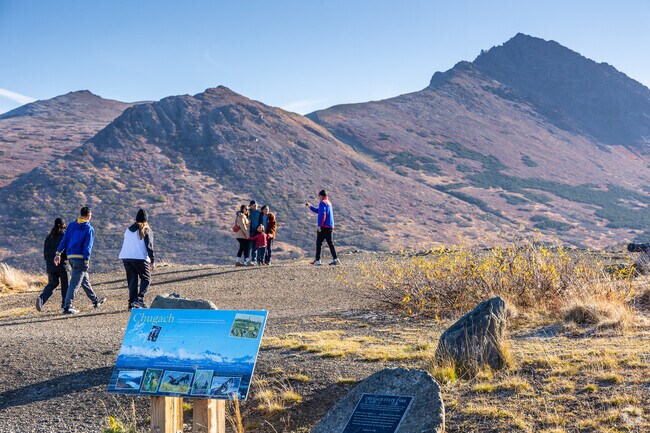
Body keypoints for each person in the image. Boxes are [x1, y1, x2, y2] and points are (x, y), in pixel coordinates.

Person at [54, 206, 106, 314]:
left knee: (84, 279)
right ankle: (67, 306)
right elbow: (88, 247)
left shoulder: (72, 225)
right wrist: (87, 260)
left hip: (71, 257)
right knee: (75, 283)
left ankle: (95, 301)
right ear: (88, 215)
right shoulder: (89, 229)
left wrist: (58, 253)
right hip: (81, 258)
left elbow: (64, 240)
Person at [118, 209, 155, 309]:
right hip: (139, 258)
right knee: (146, 279)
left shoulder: (128, 230)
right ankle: (139, 299)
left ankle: (131, 304)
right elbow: (149, 246)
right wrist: (152, 260)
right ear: (146, 220)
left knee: (132, 281)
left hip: (126, 257)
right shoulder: (146, 230)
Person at [36, 218, 69, 312]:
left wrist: (49, 262)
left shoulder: (49, 236)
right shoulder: (64, 235)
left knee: (52, 284)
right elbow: (66, 249)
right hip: (62, 264)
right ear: (64, 225)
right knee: (65, 285)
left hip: (50, 265)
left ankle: (41, 299)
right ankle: (65, 305)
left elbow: (45, 252)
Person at [305, 189, 340, 266]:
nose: (318, 197)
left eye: (319, 196)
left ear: (321, 196)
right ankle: (335, 259)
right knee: (330, 243)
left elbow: (323, 214)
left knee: (319, 243)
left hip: (324, 226)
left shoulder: (322, 203)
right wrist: (310, 206)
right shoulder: (329, 203)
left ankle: (317, 260)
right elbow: (319, 211)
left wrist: (320, 225)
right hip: (330, 226)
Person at [248, 200, 262, 264]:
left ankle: (254, 260)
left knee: (255, 246)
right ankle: (247, 260)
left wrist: (260, 227)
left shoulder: (259, 212)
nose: (255, 206)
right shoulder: (248, 212)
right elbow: (239, 212)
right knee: (249, 246)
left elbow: (261, 221)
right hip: (250, 231)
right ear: (251, 206)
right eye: (254, 205)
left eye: (256, 205)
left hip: (257, 231)